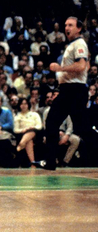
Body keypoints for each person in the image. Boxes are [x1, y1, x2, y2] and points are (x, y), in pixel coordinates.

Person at [36, 17, 89, 170]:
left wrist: (60, 69)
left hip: (74, 90)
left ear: (79, 28)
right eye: (65, 25)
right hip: (68, 90)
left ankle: (51, 161)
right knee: (54, 122)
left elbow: (81, 65)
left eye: (70, 25)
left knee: (81, 127)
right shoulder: (72, 44)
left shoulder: (79, 44)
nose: (67, 28)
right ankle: (50, 161)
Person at [13, 97, 42, 167]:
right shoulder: (17, 117)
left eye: (25, 104)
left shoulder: (35, 114)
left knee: (31, 131)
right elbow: (15, 130)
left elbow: (39, 126)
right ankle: (33, 163)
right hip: (23, 134)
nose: (23, 106)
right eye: (22, 104)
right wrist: (23, 130)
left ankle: (21, 144)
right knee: (29, 141)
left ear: (28, 105)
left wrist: (32, 128)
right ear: (19, 105)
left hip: (36, 133)